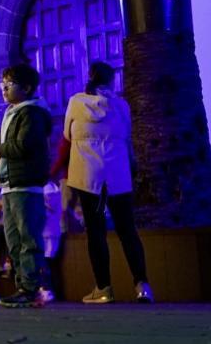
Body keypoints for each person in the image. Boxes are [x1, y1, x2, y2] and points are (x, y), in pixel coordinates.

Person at [64, 60, 151, 304]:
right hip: (117, 176)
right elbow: (127, 136)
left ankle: (103, 288)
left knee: (96, 231)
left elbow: (67, 134)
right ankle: (142, 285)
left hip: (91, 178)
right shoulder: (121, 106)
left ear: (89, 77)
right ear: (111, 80)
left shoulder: (76, 102)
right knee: (127, 230)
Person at [0, 61, 52, 308]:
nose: (3, 89)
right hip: (10, 185)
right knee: (13, 240)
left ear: (26, 88)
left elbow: (24, 145)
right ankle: (22, 286)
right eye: (2, 84)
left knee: (28, 239)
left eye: (9, 85)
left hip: (25, 184)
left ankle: (31, 287)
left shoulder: (32, 113)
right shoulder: (12, 112)